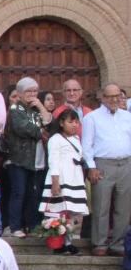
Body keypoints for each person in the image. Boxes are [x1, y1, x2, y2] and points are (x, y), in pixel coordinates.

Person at [81, 83, 131, 256]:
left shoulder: (128, 117)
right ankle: (99, 243)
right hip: (103, 164)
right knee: (101, 205)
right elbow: (86, 145)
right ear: (103, 98)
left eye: (117, 96)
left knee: (123, 208)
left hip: (126, 164)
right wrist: (91, 167)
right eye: (110, 96)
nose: (114, 99)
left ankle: (118, 244)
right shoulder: (92, 118)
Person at [3, 77, 51, 237]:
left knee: (33, 193)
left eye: (35, 91)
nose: (32, 94)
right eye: (28, 91)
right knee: (19, 192)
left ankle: (31, 225)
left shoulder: (36, 109)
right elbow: (23, 128)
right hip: (19, 159)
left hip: (37, 160)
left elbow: (49, 123)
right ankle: (15, 226)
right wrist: (41, 131)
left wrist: (41, 106)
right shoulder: (15, 109)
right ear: (20, 93)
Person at [39, 108, 88, 255]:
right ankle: (58, 243)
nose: (74, 125)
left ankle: (68, 242)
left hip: (75, 179)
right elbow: (53, 161)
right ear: (61, 123)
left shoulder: (76, 139)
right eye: (70, 122)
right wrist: (55, 182)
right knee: (58, 211)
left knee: (72, 212)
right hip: (61, 179)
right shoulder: (55, 139)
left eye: (76, 122)